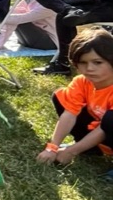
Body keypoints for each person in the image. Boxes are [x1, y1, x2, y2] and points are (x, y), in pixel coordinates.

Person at [36, 28, 113, 175]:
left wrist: (71, 152)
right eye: (83, 62)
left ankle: (83, 147)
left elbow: (105, 126)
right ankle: (91, 148)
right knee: (61, 97)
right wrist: (52, 147)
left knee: (110, 119)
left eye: (98, 62)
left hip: (108, 125)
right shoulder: (82, 82)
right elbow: (70, 113)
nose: (89, 68)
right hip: (103, 128)